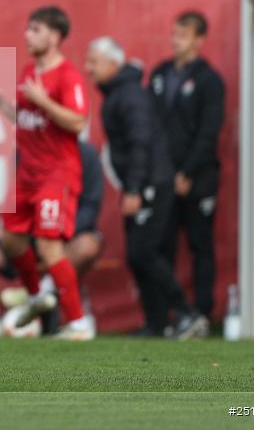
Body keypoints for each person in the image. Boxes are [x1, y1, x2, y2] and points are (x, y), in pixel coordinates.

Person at [84, 36, 206, 339]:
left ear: (114, 64)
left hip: (151, 185)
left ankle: (187, 314)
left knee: (144, 252)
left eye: (94, 63)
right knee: (141, 254)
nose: (88, 69)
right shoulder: (119, 94)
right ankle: (158, 324)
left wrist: (135, 189)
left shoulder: (129, 96)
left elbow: (141, 143)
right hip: (146, 183)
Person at [0, 6, 92, 340]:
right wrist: (4, 106)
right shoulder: (30, 70)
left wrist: (44, 101)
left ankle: (77, 324)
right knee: (11, 239)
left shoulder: (67, 76)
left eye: (36, 30)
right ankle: (35, 298)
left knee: (49, 247)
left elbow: (77, 121)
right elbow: (31, 121)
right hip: (27, 172)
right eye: (28, 29)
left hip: (56, 174)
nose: (28, 35)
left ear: (55, 36)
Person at [0, 139, 104, 336]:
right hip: (27, 238)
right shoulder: (24, 150)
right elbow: (18, 199)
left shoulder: (86, 155)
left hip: (63, 239)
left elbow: (90, 206)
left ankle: (42, 298)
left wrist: (55, 231)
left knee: (86, 245)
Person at [148, 12, 224, 332]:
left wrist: (188, 171)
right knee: (161, 246)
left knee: (200, 245)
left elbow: (209, 132)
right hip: (164, 178)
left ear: (199, 40)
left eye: (184, 35)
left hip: (198, 178)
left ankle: (203, 313)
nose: (176, 41)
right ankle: (168, 316)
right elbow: (150, 125)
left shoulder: (209, 80)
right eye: (175, 34)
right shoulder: (161, 74)